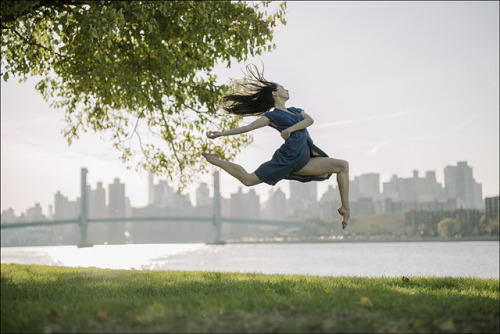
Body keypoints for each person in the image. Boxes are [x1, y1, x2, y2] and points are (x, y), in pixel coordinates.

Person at [202, 65, 350, 229]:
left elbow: (310, 121)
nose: (287, 89)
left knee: (343, 165)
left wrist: (289, 130)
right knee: (248, 180)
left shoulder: (296, 111)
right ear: (275, 93)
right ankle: (216, 161)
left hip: (305, 156)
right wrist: (220, 134)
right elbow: (246, 128)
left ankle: (345, 208)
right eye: (282, 88)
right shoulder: (271, 116)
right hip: (288, 158)